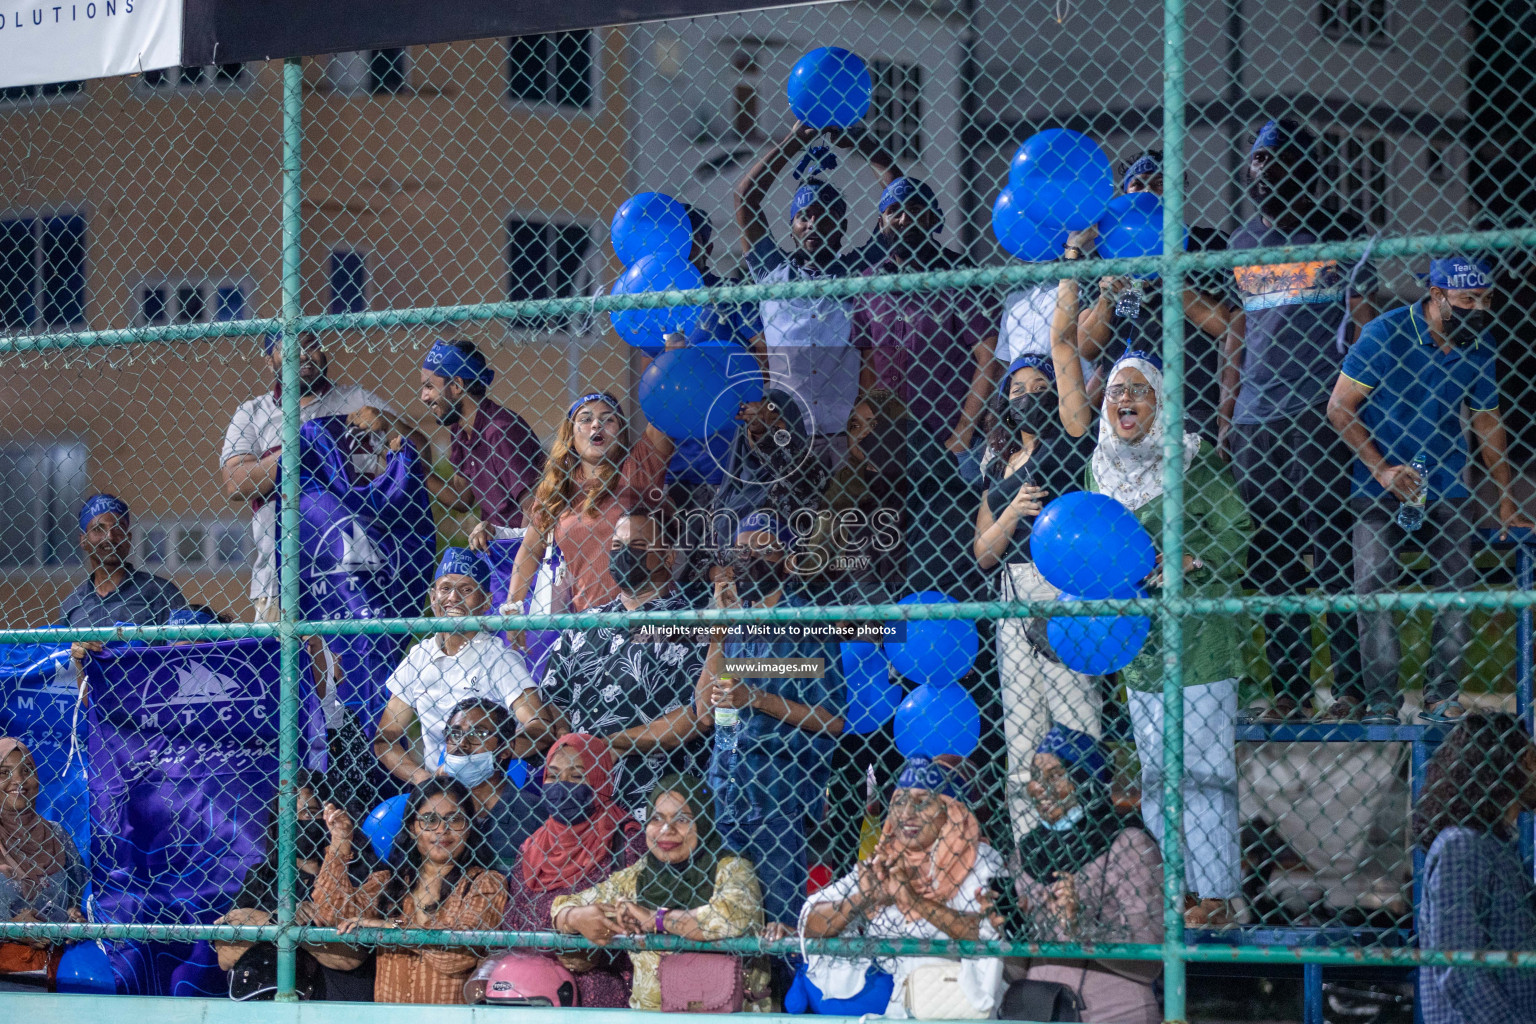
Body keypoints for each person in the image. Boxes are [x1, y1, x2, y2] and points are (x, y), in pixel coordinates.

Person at [1087, 351, 1252, 926]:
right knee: (1157, 773)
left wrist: (1189, 559)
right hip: (1142, 646)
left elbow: (1236, 535)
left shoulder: (1194, 460)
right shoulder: (1099, 469)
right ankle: (1176, 892)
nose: (1125, 400)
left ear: (1161, 401)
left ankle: (1217, 896)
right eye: (1115, 391)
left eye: (1139, 390)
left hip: (1200, 638)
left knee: (1204, 769)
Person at [1328, 257, 1533, 722]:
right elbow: (1339, 407)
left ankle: (1443, 696)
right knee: (1373, 585)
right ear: (1436, 295)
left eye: (1485, 300)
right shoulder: (1385, 333)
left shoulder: (1479, 343)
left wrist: (1505, 499)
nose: (1479, 309)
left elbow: (1486, 421)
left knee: (1458, 587)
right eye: (1467, 300)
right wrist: (1381, 470)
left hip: (1446, 483)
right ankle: (1381, 701)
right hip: (1380, 482)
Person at [1221, 119, 1374, 722]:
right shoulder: (1242, 242)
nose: (1267, 171)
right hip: (1258, 420)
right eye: (1259, 160)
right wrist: (1228, 411)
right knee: (1272, 558)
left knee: (1330, 553)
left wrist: (1354, 400)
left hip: (1317, 413)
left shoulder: (1340, 231)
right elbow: (1237, 327)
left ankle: (1351, 690)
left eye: (1281, 161)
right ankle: (1289, 687)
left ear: (1308, 171)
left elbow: (1362, 316)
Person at [974, 265, 1098, 841]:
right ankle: (1032, 857)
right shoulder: (996, 462)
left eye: (1037, 387)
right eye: (1016, 390)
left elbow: (1063, 343)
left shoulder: (1070, 439)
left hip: (1060, 585)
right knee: (1021, 733)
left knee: (1073, 720)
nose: (1026, 396)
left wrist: (1072, 263)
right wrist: (1010, 512)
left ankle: (1086, 846)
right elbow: (982, 552)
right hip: (1010, 595)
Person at [694, 514, 845, 928]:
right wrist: (720, 632)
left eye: (763, 550)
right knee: (724, 920)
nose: (750, 559)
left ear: (786, 560)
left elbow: (832, 720)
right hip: (723, 793)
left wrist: (758, 699)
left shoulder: (807, 622)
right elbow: (704, 714)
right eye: (742, 552)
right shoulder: (733, 621)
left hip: (780, 796)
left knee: (780, 923)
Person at [220, 331, 414, 622]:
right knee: (284, 664)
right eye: (290, 349)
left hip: (355, 571)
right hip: (279, 576)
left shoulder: (357, 400)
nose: (303, 355)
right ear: (268, 361)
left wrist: (389, 423)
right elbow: (235, 481)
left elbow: (419, 457)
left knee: (359, 662)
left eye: (312, 345)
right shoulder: (253, 413)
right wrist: (300, 450)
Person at [791, 756, 1005, 1020]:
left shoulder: (980, 860)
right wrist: (863, 898)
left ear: (951, 811)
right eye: (899, 802)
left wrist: (913, 901)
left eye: (922, 802)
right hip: (901, 1008)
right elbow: (810, 922)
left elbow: (989, 929)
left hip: (960, 1003)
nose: (906, 814)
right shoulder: (885, 861)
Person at [736, 121, 901, 457]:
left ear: (842, 225)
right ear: (792, 226)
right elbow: (745, 198)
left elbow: (897, 194)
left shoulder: (859, 270)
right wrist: (794, 142)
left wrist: (860, 143)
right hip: (782, 429)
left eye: (825, 215)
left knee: (843, 509)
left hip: (843, 432)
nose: (813, 223)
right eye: (804, 216)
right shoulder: (772, 271)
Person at [551, 773, 770, 1012]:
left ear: (704, 821)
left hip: (726, 1013)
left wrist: (656, 919)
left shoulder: (731, 868)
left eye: (682, 819)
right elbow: (566, 904)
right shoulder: (638, 876)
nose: (667, 829)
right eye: (656, 819)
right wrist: (574, 917)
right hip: (651, 1014)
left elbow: (728, 918)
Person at [541, 511, 707, 817]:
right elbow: (553, 698)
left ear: (668, 557)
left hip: (653, 802)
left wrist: (606, 745)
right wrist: (572, 747)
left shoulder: (690, 626)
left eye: (639, 545)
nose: (625, 554)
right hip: (576, 803)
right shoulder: (583, 623)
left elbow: (695, 716)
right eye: (617, 547)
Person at [1076, 152, 1236, 438]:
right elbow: (1087, 349)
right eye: (1138, 184)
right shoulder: (1109, 252)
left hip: (1192, 404)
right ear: (1125, 193)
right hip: (1124, 408)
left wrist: (1170, 277)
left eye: (1160, 183)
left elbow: (1226, 326)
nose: (1148, 191)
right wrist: (1106, 300)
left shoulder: (1205, 243)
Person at [1011, 726, 1163, 1024]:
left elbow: (1150, 961)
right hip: (1036, 1010)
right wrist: (1007, 935)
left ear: (1085, 780)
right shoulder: (1025, 851)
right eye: (1035, 776)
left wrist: (1081, 930)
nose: (1039, 786)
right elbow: (1015, 971)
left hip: (1111, 1012)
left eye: (1055, 775)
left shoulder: (1127, 843)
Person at [315, 779, 508, 1005]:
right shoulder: (391, 881)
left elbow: (454, 956)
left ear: (469, 827)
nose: (441, 829)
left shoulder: (486, 884)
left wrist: (390, 927)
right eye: (429, 820)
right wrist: (340, 842)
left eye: (454, 819)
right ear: (412, 828)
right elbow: (333, 915)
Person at [854, 176, 1001, 459]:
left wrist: (963, 433)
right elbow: (867, 363)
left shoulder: (960, 274)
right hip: (891, 440)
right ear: (881, 221)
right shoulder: (867, 282)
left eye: (916, 209)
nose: (904, 218)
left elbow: (989, 357)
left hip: (949, 442)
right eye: (893, 211)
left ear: (933, 217)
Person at [374, 548, 547, 787]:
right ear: (433, 597)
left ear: (486, 601)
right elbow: (386, 737)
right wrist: (425, 781)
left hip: (489, 785)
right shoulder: (419, 657)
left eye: (466, 590)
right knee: (382, 824)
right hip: (438, 787)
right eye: (445, 588)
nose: (453, 598)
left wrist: (486, 758)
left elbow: (540, 727)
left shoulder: (498, 658)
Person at [501, 733, 645, 1009]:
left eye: (577, 776)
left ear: (600, 781)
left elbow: (639, 918)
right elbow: (514, 921)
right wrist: (564, 931)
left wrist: (593, 948)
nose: (562, 785)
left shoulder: (626, 840)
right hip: (536, 991)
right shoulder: (532, 846)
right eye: (553, 776)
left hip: (607, 991)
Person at [504, 392, 676, 619]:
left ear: (621, 433)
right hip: (589, 622)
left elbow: (669, 408)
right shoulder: (557, 487)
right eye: (585, 419)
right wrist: (513, 605)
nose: (596, 424)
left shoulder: (638, 466)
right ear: (570, 434)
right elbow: (529, 549)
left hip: (647, 613)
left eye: (608, 419)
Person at [1413, 712, 1536, 1023]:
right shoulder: (1462, 846)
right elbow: (1458, 968)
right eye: (1530, 757)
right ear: (1506, 766)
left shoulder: (1500, 848)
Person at [214, 772, 378, 1001]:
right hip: (268, 1002)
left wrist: (270, 926)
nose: (298, 822)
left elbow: (349, 957)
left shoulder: (360, 872)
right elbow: (226, 955)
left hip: (335, 1004)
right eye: (288, 814)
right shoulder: (263, 876)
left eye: (309, 813)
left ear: (328, 817)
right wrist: (279, 920)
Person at [417, 339, 543, 553]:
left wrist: (519, 564)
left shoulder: (500, 430)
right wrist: (414, 467)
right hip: (496, 552)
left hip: (519, 553)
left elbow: (533, 508)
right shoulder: (459, 430)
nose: (424, 397)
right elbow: (461, 497)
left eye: (429, 386)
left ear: (457, 385)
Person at [61, 494, 190, 669]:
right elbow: (63, 665)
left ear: (128, 538)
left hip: (148, 693)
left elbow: (184, 655)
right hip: (91, 695)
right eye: (99, 529)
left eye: (118, 528)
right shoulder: (73, 604)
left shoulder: (161, 593)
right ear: (83, 540)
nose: (110, 537)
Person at [0, 738, 85, 988]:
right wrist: (9, 927)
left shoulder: (56, 835)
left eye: (27, 771)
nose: (19, 781)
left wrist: (75, 917)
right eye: (4, 773)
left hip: (56, 977)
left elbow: (80, 896)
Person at [438, 698, 547, 874]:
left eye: (479, 734)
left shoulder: (536, 815)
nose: (462, 743)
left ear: (505, 749)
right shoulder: (432, 808)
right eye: (455, 733)